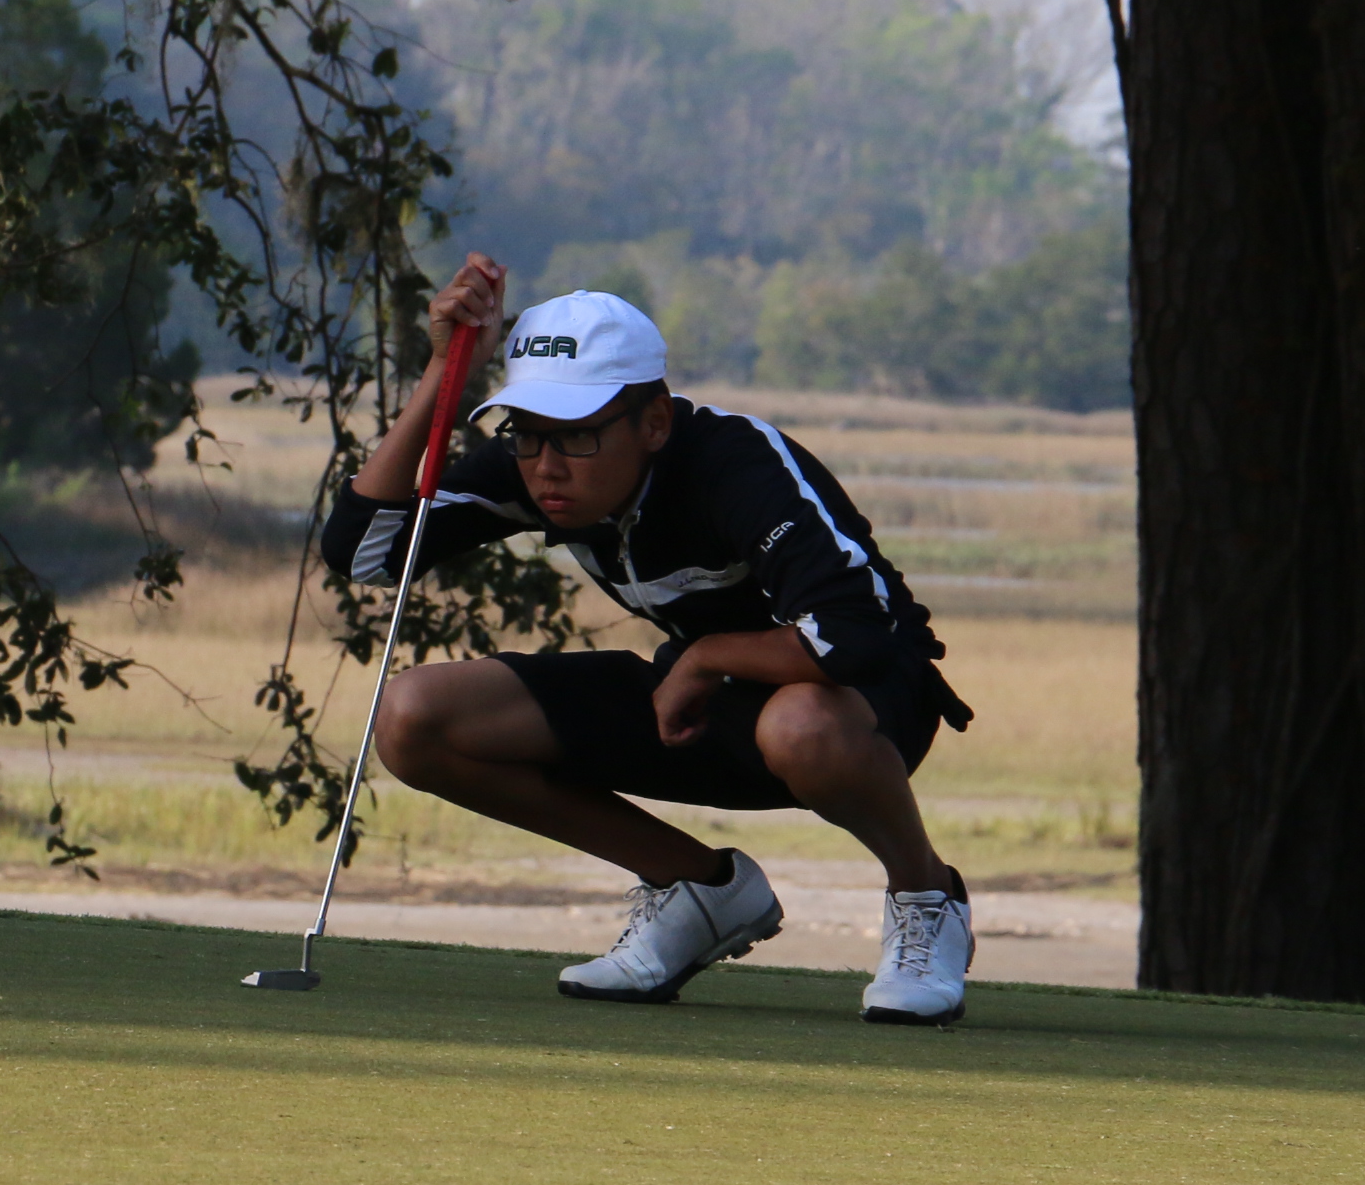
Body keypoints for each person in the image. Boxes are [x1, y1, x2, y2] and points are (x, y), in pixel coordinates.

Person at [318, 257, 979, 1022]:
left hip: (861, 711)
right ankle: (699, 890)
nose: (546, 467)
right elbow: (364, 553)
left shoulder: (736, 463)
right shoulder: (539, 468)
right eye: (526, 435)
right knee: (414, 719)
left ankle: (926, 897)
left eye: (576, 436)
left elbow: (855, 639)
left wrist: (705, 656)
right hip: (701, 708)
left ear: (654, 422)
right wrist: (445, 371)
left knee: (799, 722)